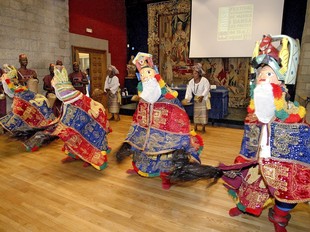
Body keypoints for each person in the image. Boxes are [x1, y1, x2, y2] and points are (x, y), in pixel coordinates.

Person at [220, 35, 309, 232]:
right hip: (257, 161)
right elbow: (248, 141)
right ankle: (243, 206)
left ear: (281, 81)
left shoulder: (294, 115)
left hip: (282, 165)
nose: (262, 77)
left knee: (286, 191)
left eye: (268, 74)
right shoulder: (253, 114)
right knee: (248, 182)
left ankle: (279, 218)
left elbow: (301, 147)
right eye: (260, 73)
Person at [116, 52, 222, 189]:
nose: (145, 80)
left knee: (168, 154)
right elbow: (138, 118)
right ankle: (142, 169)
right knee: (141, 148)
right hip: (148, 134)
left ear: (155, 76)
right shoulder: (145, 98)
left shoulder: (168, 98)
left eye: (148, 76)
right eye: (142, 78)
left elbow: (179, 116)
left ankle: (167, 178)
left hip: (167, 135)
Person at [51, 65, 111, 170]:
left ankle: (93, 158)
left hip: (95, 118)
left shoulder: (74, 99)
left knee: (91, 137)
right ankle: (74, 154)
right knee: (73, 135)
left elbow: (71, 120)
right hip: (86, 117)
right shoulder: (68, 98)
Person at [183, 63, 210, 132]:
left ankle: (203, 128)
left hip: (203, 99)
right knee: (196, 114)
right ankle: (195, 127)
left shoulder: (204, 80)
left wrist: (202, 95)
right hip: (196, 99)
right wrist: (187, 99)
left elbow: (207, 88)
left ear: (199, 74)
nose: (194, 75)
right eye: (193, 73)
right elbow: (188, 91)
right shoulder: (191, 82)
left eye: (195, 73)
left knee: (203, 113)